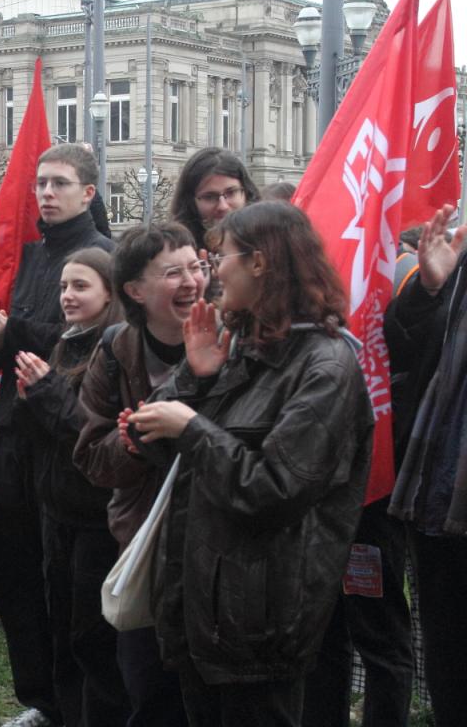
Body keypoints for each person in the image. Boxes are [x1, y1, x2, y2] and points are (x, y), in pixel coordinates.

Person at [127, 201, 372, 726]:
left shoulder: (326, 365)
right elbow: (144, 438)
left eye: (222, 257)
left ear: (260, 263)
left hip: (261, 621)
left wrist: (192, 428)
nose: (213, 271)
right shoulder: (239, 344)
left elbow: (274, 489)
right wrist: (197, 378)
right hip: (203, 608)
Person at [0, 143, 112, 727]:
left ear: (88, 193)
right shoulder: (31, 252)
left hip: (64, 439)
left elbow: (90, 340)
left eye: (60, 183)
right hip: (17, 432)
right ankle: (40, 699)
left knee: (59, 583)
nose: (45, 192)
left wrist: (13, 330)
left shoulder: (101, 254)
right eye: (40, 183)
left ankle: (70, 704)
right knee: (18, 571)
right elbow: (25, 344)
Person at [74, 223, 206, 727]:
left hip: (216, 542)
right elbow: (91, 456)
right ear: (134, 291)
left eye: (196, 267)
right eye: (173, 273)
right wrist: (135, 440)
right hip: (144, 540)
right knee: (149, 687)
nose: (192, 281)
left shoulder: (234, 338)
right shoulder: (115, 349)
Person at [15, 247, 130, 725]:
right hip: (57, 507)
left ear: (110, 294)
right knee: (60, 628)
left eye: (81, 286)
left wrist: (45, 392)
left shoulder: (117, 350)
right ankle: (64, 713)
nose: (67, 296)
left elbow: (91, 433)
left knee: (92, 636)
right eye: (64, 286)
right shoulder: (67, 342)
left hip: (95, 515)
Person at [384, 202, 467, 725]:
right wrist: (427, 289)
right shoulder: (455, 264)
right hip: (443, 495)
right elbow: (404, 351)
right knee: (450, 658)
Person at [168, 147, 260, 252]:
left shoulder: (271, 249)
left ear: (246, 192)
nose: (223, 206)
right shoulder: (177, 258)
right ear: (190, 202)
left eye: (231, 193)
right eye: (209, 197)